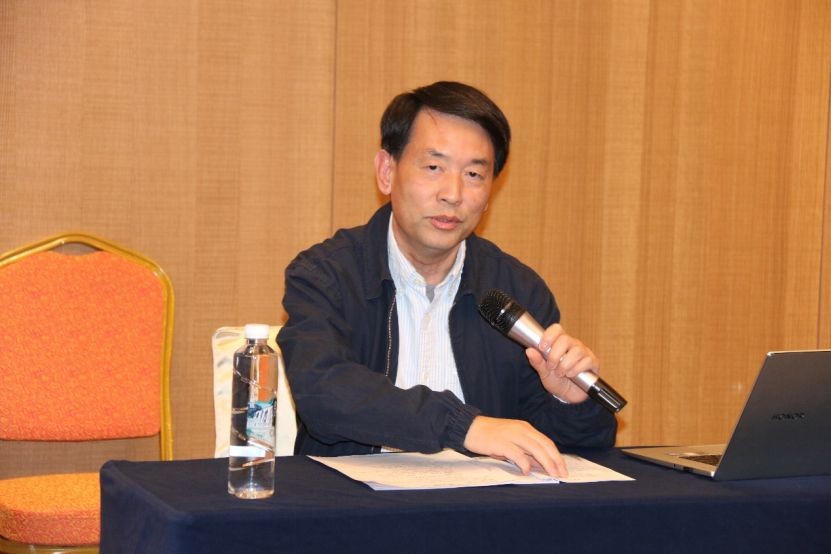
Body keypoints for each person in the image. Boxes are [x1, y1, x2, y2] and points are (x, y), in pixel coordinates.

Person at [278, 81, 617, 477]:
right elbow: (324, 392)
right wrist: (464, 426)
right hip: (352, 506)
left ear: (489, 194)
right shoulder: (326, 275)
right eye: (434, 167)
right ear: (387, 172)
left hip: (481, 508)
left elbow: (566, 451)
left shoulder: (517, 290)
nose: (453, 194)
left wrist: (569, 403)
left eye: (473, 174)